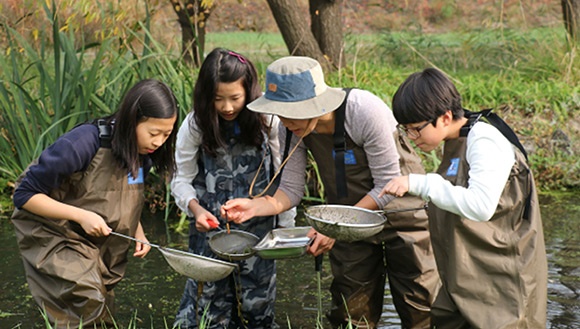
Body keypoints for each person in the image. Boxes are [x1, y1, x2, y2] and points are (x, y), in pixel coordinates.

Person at [223, 56, 440, 328]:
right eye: (280, 113)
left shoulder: (363, 111)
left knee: (421, 306)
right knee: (351, 311)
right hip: (347, 222)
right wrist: (255, 206)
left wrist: (336, 226)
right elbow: (290, 190)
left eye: (293, 113)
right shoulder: (289, 128)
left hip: (403, 214)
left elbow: (388, 184)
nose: (286, 121)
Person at [379, 68, 548, 328]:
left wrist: (420, 183)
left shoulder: (485, 141)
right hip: (465, 277)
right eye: (406, 130)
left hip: (501, 283)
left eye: (416, 130)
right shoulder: (457, 138)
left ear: (445, 117)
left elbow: (481, 207)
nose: (412, 139)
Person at [10, 79, 179, 328]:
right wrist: (80, 215)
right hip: (51, 229)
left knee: (101, 308)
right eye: (154, 133)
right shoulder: (82, 143)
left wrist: (138, 230)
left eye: (167, 134)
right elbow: (23, 196)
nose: (159, 142)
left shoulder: (144, 153)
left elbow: (129, 193)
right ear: (132, 120)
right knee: (87, 298)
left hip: (96, 237)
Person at [171, 48, 294, 329]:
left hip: (259, 233)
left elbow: (284, 178)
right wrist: (196, 209)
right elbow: (180, 179)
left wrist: (285, 232)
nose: (227, 107)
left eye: (235, 98)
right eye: (218, 99)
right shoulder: (195, 124)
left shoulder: (269, 120)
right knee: (209, 312)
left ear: (249, 93)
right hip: (210, 230)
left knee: (258, 312)